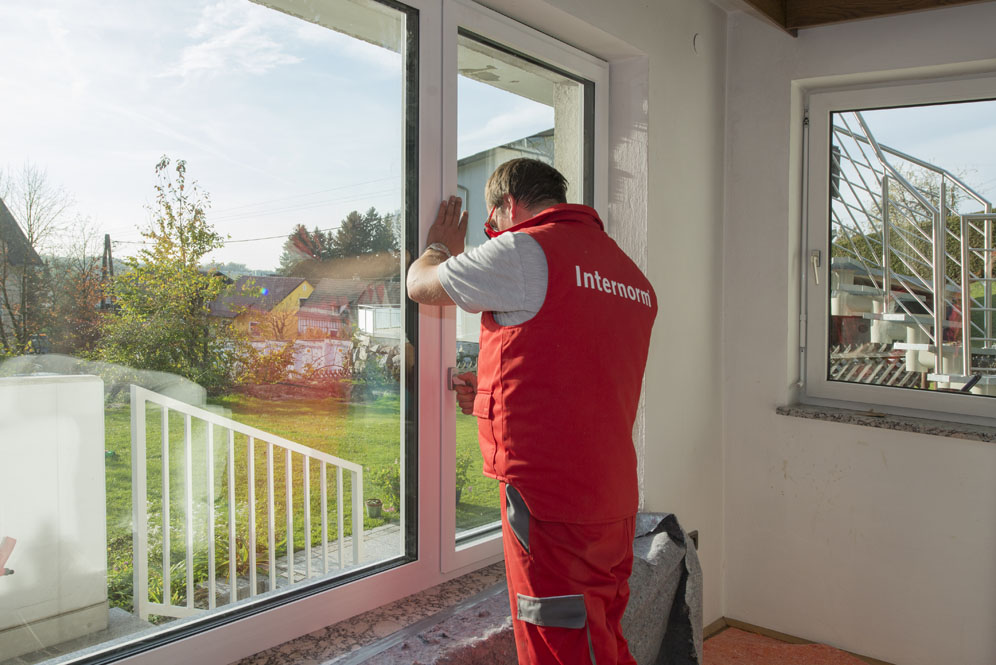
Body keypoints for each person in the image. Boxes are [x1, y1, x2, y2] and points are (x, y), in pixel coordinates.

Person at [406, 158, 657, 665]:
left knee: (558, 642)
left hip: (550, 500)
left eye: (492, 225)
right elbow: (580, 371)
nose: (493, 236)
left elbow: (420, 285)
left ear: (507, 206)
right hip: (611, 495)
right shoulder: (627, 273)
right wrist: (490, 395)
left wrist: (439, 248)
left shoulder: (525, 248)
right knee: (599, 631)